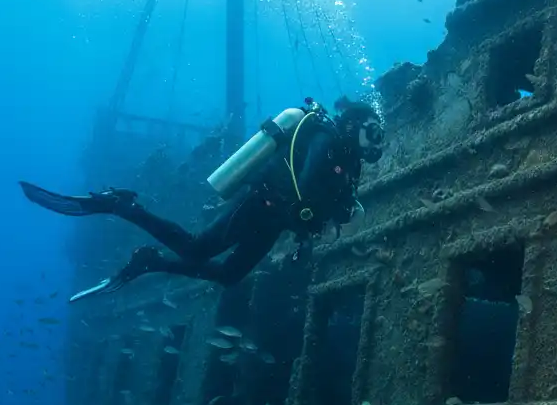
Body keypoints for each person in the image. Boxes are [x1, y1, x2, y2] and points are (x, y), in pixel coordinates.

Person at [20, 98, 384, 302]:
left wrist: (316, 227)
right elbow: (304, 185)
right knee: (195, 250)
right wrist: (309, 215)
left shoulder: (349, 163)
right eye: (373, 131)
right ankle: (122, 204)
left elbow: (326, 204)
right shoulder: (326, 137)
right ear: (354, 125)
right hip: (261, 203)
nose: (377, 141)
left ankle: (150, 262)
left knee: (229, 275)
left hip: (276, 220)